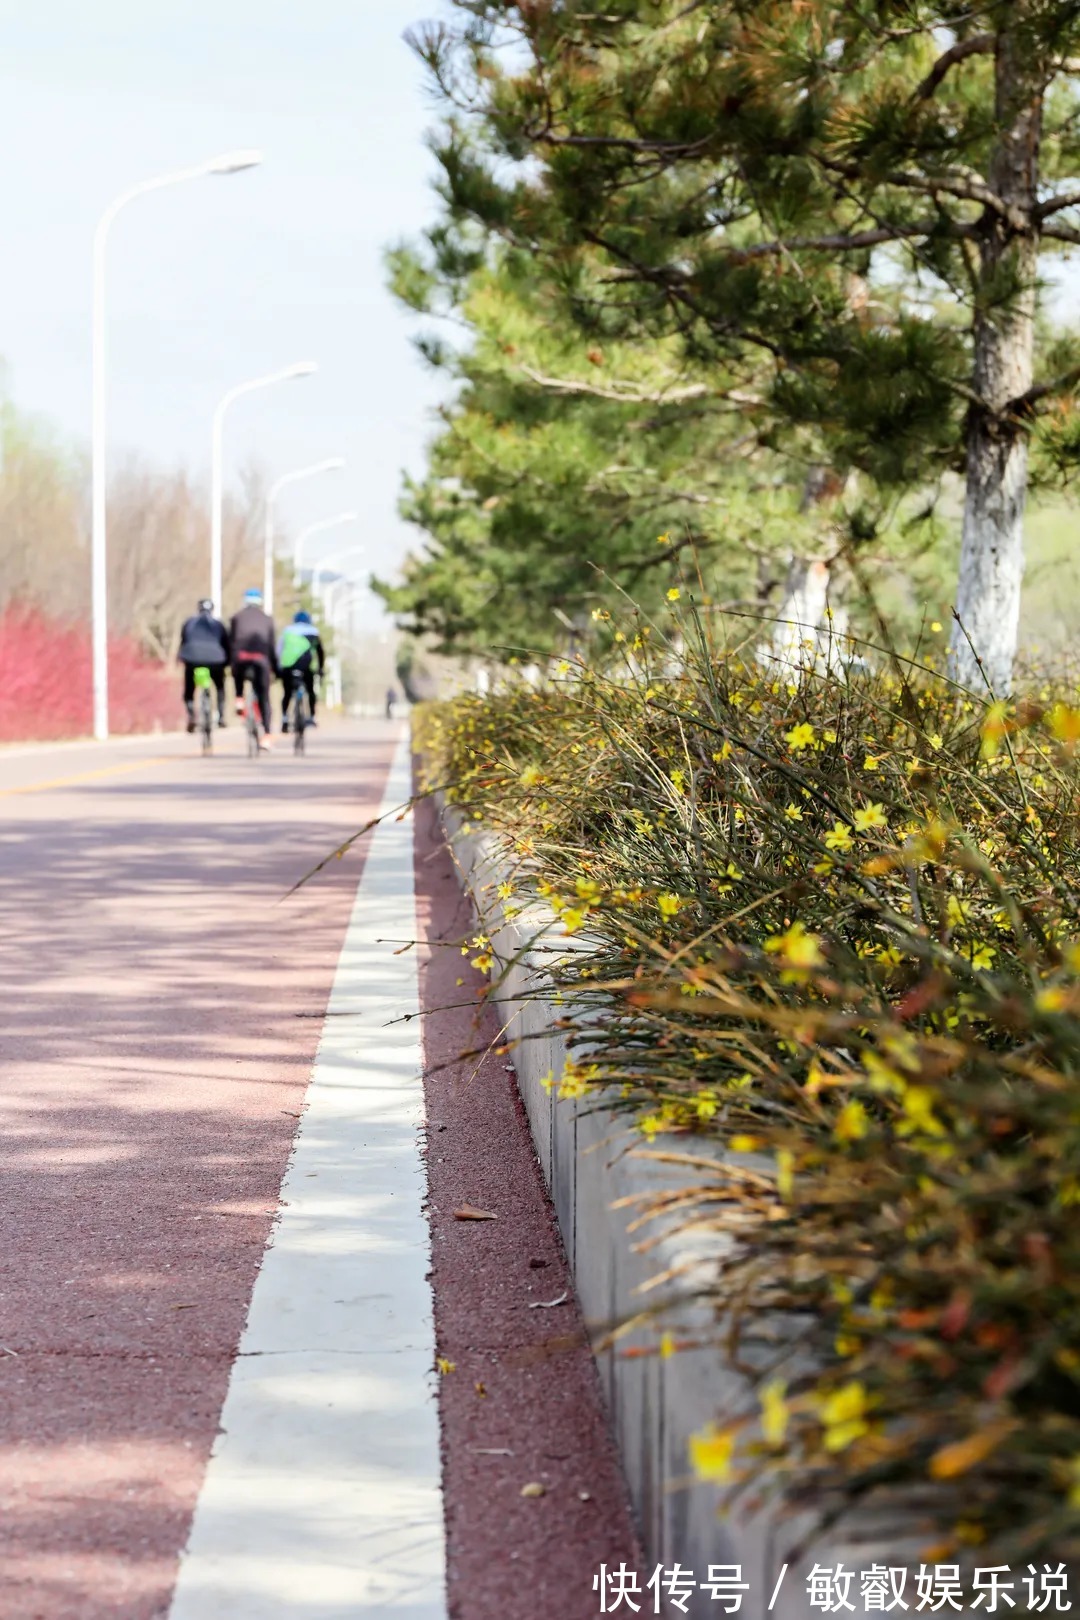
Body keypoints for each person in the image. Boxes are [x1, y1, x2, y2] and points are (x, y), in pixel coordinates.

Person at [229, 588, 279, 748]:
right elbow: (271, 647)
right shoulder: (268, 619)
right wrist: (276, 669)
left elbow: (231, 642)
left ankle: (239, 698)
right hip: (261, 660)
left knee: (237, 669)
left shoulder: (236, 617)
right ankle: (266, 734)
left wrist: (230, 661)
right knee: (264, 697)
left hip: (240, 658)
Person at [177, 599, 230, 731]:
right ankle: (221, 716)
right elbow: (226, 646)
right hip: (216, 660)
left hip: (192, 659)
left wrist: (182, 658)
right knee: (220, 687)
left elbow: (184, 641)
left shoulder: (189, 622)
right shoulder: (218, 624)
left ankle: (191, 715)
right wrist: (227, 663)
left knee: (189, 689)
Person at [278, 609, 325, 732]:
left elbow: (279, 650)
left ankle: (284, 719)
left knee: (287, 693)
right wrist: (320, 669)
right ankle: (312, 717)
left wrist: (278, 667)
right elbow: (320, 652)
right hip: (306, 668)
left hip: (288, 668)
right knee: (310, 692)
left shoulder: (287, 631)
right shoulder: (314, 632)